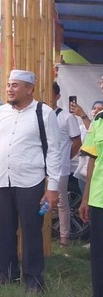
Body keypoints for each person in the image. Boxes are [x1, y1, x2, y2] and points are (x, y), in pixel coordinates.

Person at [0, 70, 60, 293]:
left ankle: (33, 278)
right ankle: (7, 273)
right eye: (8, 85)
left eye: (15, 85)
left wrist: (52, 188)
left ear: (29, 88)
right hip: (1, 180)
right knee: (3, 229)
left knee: (31, 229)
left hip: (31, 182)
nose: (10, 89)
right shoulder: (1, 113)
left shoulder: (44, 113)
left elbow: (54, 151)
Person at [51, 82, 82, 247]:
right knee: (41, 200)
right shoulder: (38, 114)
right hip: (39, 168)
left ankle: (64, 238)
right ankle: (43, 233)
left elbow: (77, 141)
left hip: (59, 168)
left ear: (57, 96)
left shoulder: (66, 117)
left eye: (50, 93)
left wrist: (66, 157)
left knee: (61, 202)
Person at [79, 102, 103, 297]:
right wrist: (85, 197)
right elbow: (92, 160)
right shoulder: (99, 119)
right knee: (99, 256)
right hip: (99, 198)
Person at [73, 101, 103, 194]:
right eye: (94, 108)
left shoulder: (98, 127)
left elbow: (92, 132)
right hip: (83, 171)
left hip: (97, 173)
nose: (96, 111)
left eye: (100, 109)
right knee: (85, 199)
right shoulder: (81, 128)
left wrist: (83, 115)